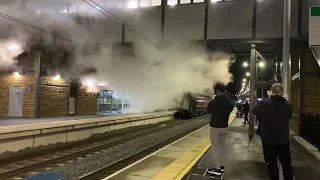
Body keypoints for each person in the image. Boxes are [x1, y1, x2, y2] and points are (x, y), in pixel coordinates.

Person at [252, 83, 293, 180]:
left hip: (268, 140)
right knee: (286, 165)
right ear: (282, 92)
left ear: (272, 91)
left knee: (272, 165)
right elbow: (289, 116)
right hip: (283, 140)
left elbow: (254, 110)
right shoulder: (288, 105)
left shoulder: (264, 103)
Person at [206, 83, 234, 176]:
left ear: (216, 90)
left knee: (215, 148)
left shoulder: (214, 101)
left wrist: (214, 99)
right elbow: (231, 107)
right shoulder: (230, 101)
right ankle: (221, 166)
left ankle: (217, 169)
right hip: (224, 126)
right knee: (222, 147)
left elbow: (208, 110)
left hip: (215, 127)